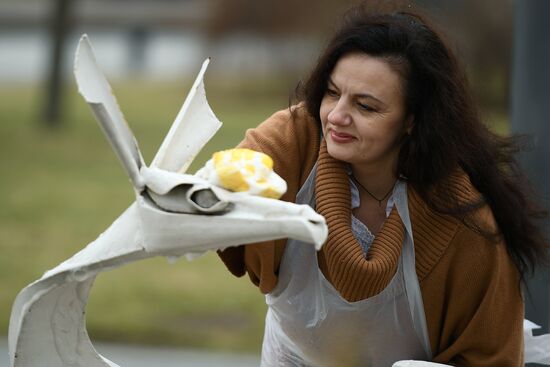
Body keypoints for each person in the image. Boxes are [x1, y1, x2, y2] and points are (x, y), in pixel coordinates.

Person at [217, 3, 549, 366]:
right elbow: (228, 181)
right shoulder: (298, 137)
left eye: (366, 107)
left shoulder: (465, 222)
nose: (337, 116)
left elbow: (493, 353)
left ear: (411, 121)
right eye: (332, 92)